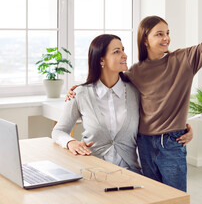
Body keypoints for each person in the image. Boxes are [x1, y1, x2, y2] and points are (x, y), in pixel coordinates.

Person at [119, 0, 202, 192]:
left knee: (176, 198)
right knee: (151, 196)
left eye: (167, 33)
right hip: (144, 143)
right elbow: (111, 82)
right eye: (159, 34)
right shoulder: (136, 71)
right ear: (145, 40)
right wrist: (80, 87)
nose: (166, 38)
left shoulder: (184, 60)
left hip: (172, 142)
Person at [52, 34, 142, 173]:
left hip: (131, 172)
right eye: (116, 51)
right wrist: (71, 143)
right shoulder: (81, 94)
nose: (124, 55)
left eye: (123, 50)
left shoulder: (135, 92)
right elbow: (58, 131)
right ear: (101, 59)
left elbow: (157, 114)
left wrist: (182, 128)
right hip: (93, 172)